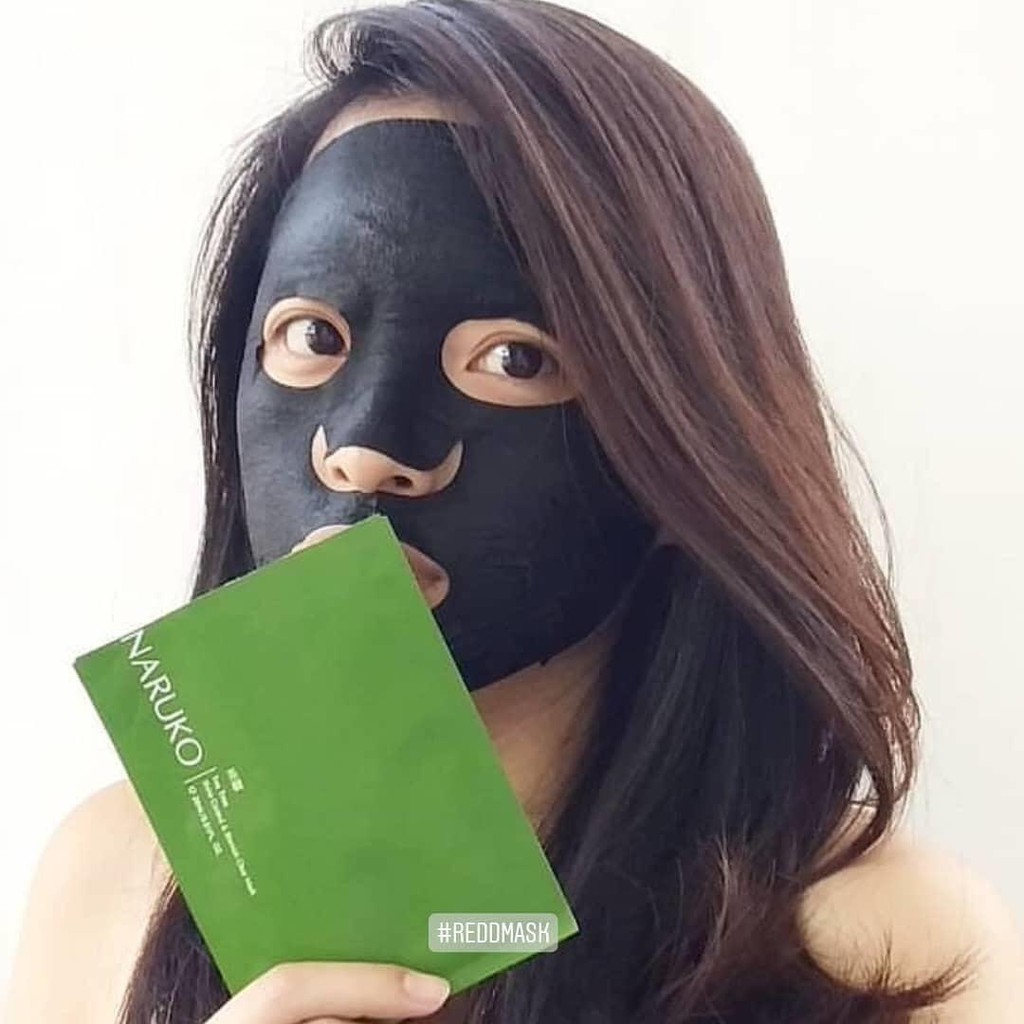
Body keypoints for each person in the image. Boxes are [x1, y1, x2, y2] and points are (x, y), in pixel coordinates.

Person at [5, 1, 1023, 1022]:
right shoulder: (115, 882)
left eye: (512, 360)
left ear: (686, 443)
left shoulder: (882, 947)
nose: (366, 448)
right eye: (311, 337)